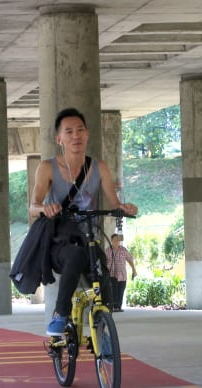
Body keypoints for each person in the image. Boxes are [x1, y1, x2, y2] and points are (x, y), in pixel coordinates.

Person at [29, 107, 138, 336]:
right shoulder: (47, 168)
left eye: (80, 130)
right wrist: (45, 208)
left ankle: (104, 332)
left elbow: (114, 203)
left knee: (103, 274)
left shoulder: (100, 167)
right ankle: (60, 314)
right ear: (60, 139)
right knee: (76, 256)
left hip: (86, 236)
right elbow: (33, 207)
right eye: (69, 132)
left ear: (87, 134)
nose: (75, 136)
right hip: (58, 240)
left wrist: (124, 208)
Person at [105, 233, 137, 312]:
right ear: (111, 241)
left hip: (122, 274)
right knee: (113, 291)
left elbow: (130, 260)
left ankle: (118, 307)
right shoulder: (108, 250)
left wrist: (134, 270)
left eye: (117, 240)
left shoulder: (123, 250)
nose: (116, 241)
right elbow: (104, 262)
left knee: (121, 290)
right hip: (112, 274)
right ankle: (113, 307)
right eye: (114, 240)